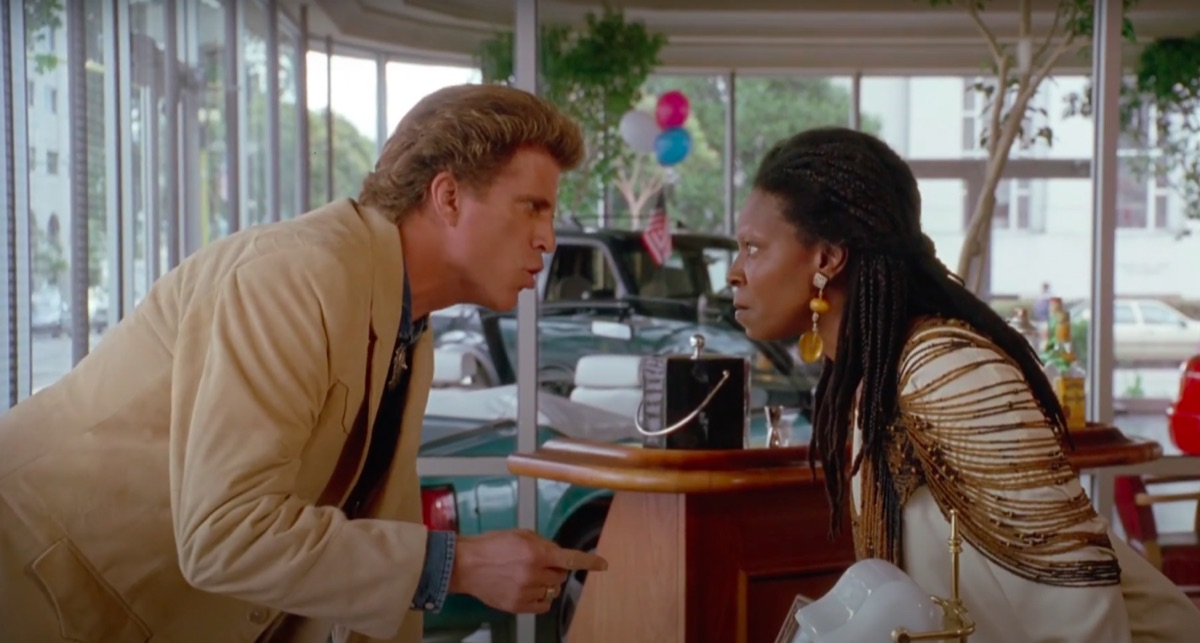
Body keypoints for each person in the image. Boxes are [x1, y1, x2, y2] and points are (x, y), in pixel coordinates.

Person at [0, 84, 607, 643]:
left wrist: (445, 567)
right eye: (532, 208)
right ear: (448, 197)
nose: (549, 239)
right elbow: (226, 534)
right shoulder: (298, 274)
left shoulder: (409, 328)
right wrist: (461, 565)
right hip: (35, 583)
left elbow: (377, 532)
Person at [727, 126, 1200, 643]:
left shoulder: (943, 367)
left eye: (753, 248)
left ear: (826, 258)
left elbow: (1081, 601)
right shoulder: (875, 377)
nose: (734, 273)